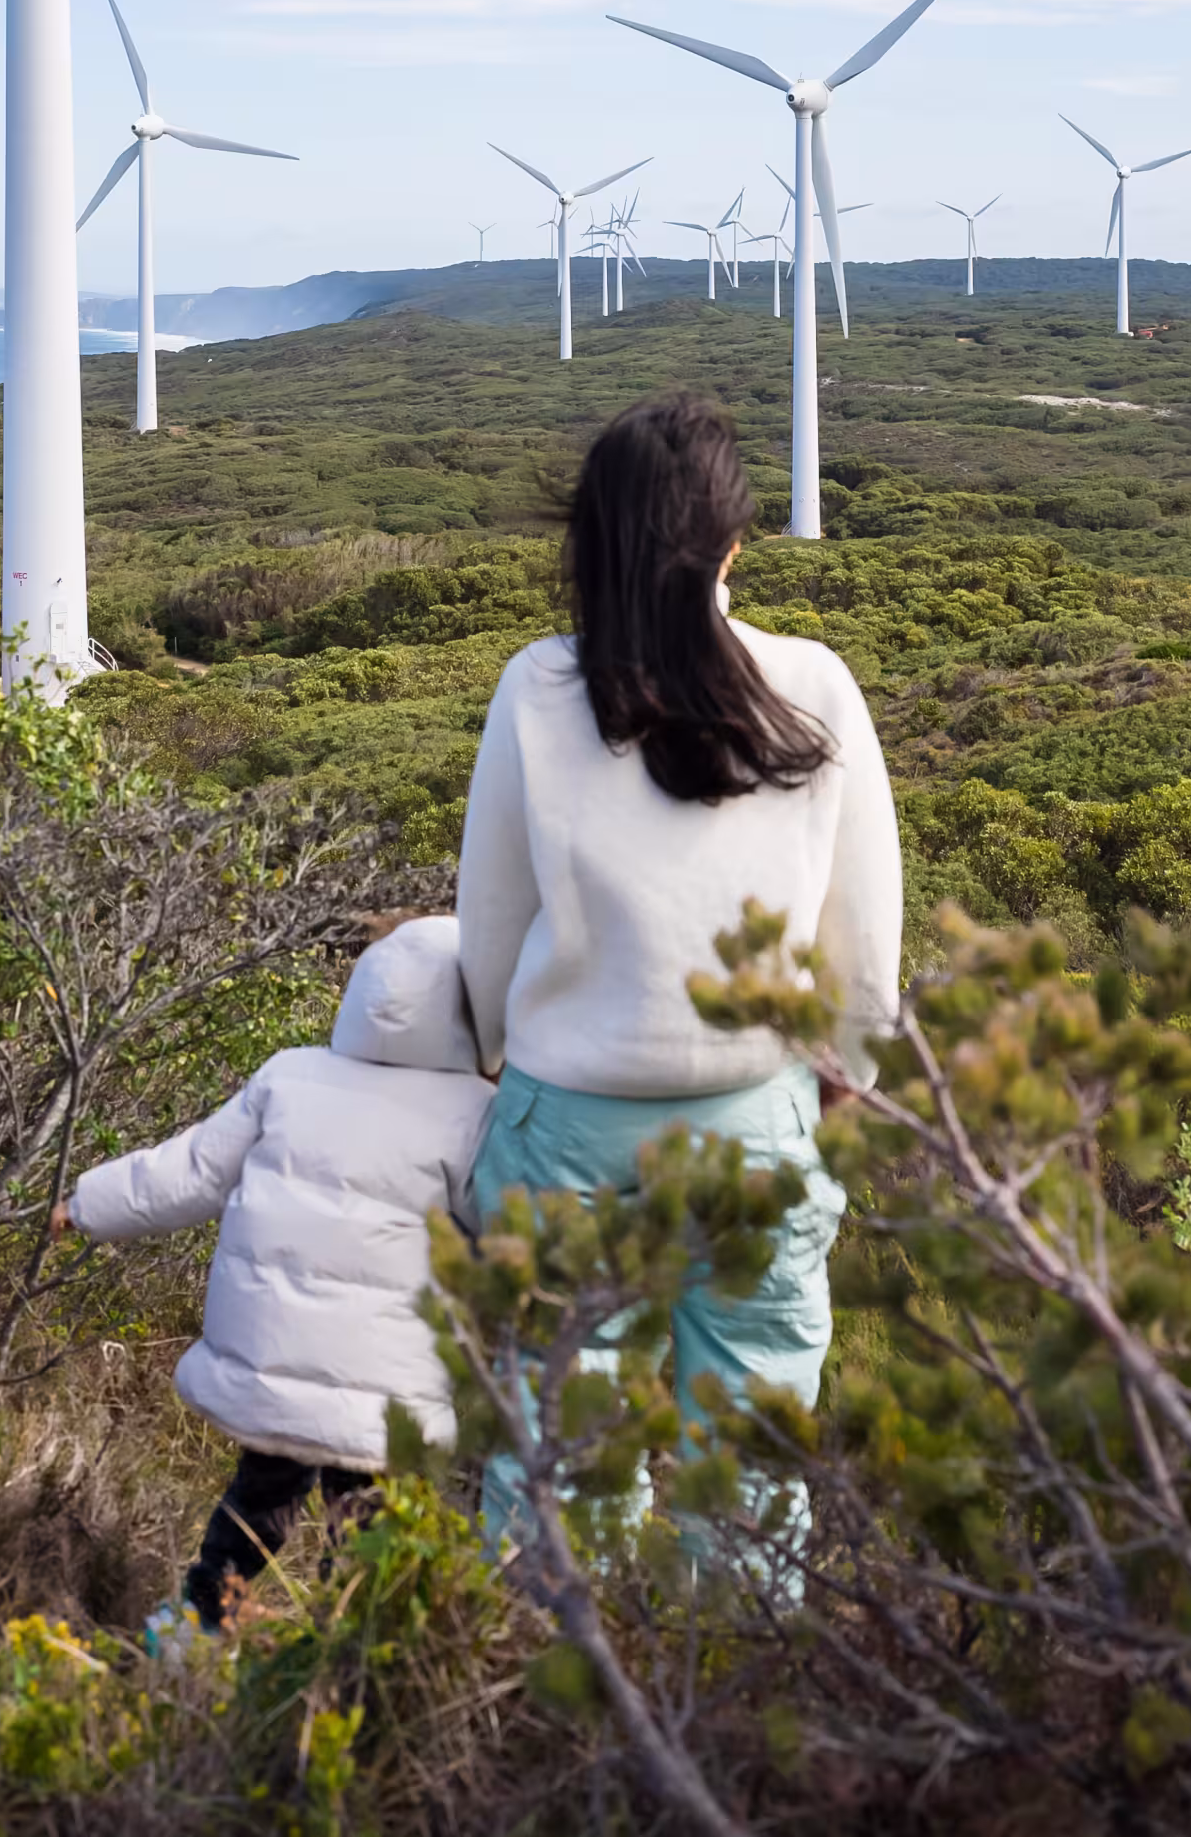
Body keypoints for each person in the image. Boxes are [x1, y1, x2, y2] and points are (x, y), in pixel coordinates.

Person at [455, 391, 902, 1540]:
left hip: (569, 1119)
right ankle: (730, 1706)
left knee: (558, 1442)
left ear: (589, 539)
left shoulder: (535, 688)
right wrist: (847, 1066)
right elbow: (862, 918)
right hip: (757, 1114)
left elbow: (492, 914)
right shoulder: (815, 684)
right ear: (734, 538)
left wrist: (499, 1052)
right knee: (752, 1450)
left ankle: (556, 1696)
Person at [52, 916, 493, 1638]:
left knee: (263, 1496)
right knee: (368, 1520)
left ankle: (191, 1629)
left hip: (270, 1360)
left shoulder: (290, 1075)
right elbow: (499, 1222)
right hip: (388, 1386)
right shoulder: (474, 1112)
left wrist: (89, 1203)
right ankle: (343, 1659)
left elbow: (188, 1171)